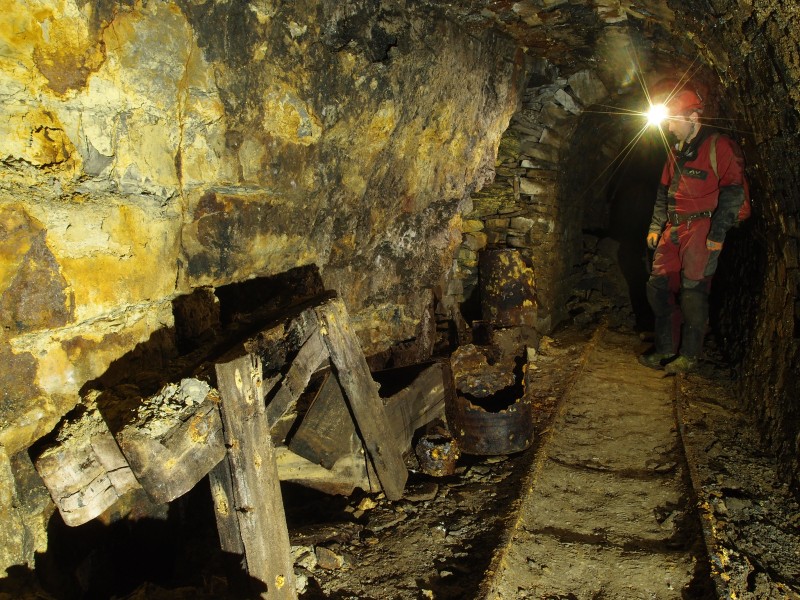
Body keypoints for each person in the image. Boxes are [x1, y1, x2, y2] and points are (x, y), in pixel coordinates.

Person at [638, 87, 748, 373]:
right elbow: (663, 192)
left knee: (693, 293)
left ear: (694, 118)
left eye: (673, 120)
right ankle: (664, 349)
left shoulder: (718, 146)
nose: (670, 127)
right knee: (658, 287)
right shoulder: (676, 151)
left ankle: (689, 354)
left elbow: (733, 191)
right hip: (673, 227)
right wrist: (654, 226)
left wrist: (718, 233)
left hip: (702, 227)